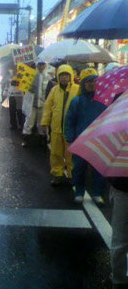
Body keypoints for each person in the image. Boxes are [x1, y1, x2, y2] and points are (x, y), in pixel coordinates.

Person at [64, 68, 107, 204]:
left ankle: (97, 193)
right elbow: (69, 120)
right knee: (79, 168)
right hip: (80, 140)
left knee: (98, 168)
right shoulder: (76, 101)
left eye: (94, 80)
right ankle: (79, 191)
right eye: (88, 81)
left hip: (98, 140)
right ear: (83, 83)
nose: (92, 84)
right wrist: (70, 138)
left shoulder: (103, 101)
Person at [41, 64, 79, 186]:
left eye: (66, 75)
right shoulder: (54, 90)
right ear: (58, 76)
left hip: (71, 129)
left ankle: (72, 175)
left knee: (71, 154)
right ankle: (57, 174)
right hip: (56, 128)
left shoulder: (77, 89)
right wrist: (44, 122)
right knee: (56, 153)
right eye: (61, 75)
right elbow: (47, 107)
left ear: (71, 76)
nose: (64, 78)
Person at [108, 177, 128, 289]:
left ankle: (118, 282)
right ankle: (118, 281)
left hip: (121, 188)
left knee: (120, 240)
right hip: (123, 190)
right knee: (120, 240)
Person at [22, 61, 47, 146]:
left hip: (43, 103)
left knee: (42, 123)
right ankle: (26, 139)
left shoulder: (49, 75)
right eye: (39, 64)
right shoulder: (31, 74)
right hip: (32, 102)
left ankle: (42, 140)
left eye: (43, 64)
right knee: (29, 122)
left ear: (45, 65)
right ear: (37, 65)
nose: (41, 66)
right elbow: (24, 86)